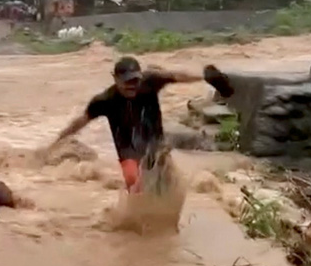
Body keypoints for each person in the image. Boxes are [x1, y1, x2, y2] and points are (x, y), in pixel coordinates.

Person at [47, 55, 206, 191]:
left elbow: (178, 76)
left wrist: (205, 77)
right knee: (135, 185)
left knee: (167, 187)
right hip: (128, 151)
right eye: (127, 81)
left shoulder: (150, 82)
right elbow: (79, 123)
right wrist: (56, 143)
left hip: (156, 145)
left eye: (135, 80)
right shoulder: (105, 100)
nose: (131, 86)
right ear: (115, 79)